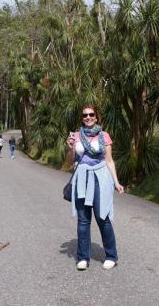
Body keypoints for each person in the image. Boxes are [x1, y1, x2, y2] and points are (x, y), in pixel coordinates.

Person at [66, 105, 124, 271]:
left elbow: (109, 160)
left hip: (101, 177)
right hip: (82, 177)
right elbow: (70, 162)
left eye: (91, 114)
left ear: (96, 117)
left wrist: (116, 182)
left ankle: (111, 255)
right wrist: (70, 148)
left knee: (102, 217)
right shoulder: (75, 136)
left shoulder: (104, 136)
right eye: (85, 115)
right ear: (82, 118)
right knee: (83, 220)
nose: (88, 117)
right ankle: (83, 257)